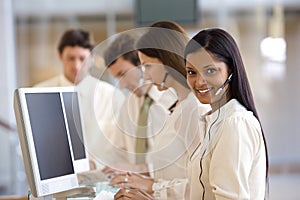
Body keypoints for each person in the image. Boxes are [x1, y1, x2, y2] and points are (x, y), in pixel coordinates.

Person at [111, 21, 210, 199]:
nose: (146, 76)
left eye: (148, 66)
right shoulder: (179, 108)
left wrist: (152, 189)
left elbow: (204, 186)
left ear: (166, 60)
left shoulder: (195, 110)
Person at [184, 28, 268, 199]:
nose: (199, 82)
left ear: (231, 71)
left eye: (210, 71)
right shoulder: (216, 121)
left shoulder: (235, 123)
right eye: (192, 72)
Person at [34, 28, 125, 170]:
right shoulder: (39, 94)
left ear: (92, 58)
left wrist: (94, 165)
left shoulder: (112, 96)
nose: (76, 65)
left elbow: (123, 148)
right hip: (56, 180)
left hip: (102, 181)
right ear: (60, 56)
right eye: (71, 58)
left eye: (82, 58)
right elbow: (29, 145)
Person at [102, 31, 180, 171]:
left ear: (141, 64)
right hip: (135, 188)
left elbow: (179, 163)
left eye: (123, 74)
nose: (122, 85)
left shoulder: (176, 99)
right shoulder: (129, 105)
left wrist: (141, 170)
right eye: (117, 78)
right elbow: (117, 153)